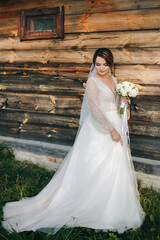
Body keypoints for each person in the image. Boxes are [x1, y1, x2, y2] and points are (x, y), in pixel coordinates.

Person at [2, 48, 146, 235]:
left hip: (115, 123)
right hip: (98, 129)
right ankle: (85, 202)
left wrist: (123, 102)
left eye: (105, 64)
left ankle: (111, 204)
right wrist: (111, 130)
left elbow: (116, 107)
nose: (101, 68)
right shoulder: (92, 82)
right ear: (94, 64)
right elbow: (95, 111)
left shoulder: (115, 81)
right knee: (93, 167)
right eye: (98, 64)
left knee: (114, 167)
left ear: (110, 65)